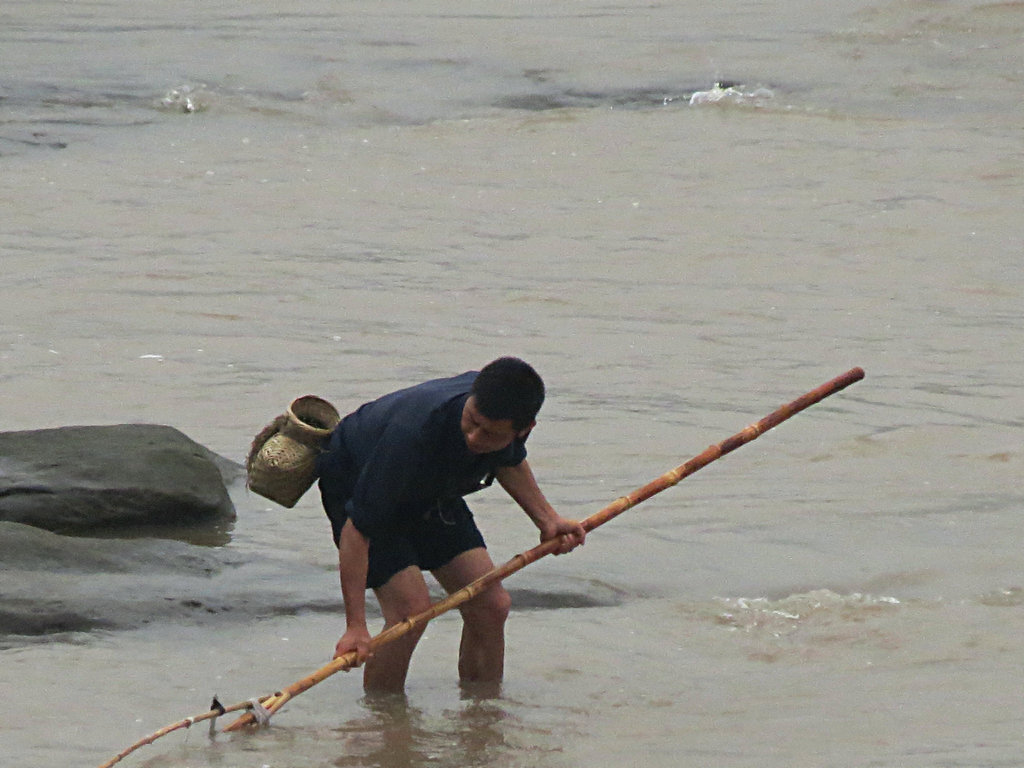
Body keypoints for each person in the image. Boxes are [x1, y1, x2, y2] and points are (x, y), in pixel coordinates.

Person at [316, 357, 585, 694]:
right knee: (410, 612)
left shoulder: (506, 414)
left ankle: (482, 717)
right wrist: (355, 626)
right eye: (471, 422)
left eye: (489, 433)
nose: (473, 437)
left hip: (431, 489)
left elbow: (509, 460)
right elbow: (357, 533)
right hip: (360, 480)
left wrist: (548, 520)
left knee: (492, 605)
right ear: (470, 399)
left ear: (525, 428)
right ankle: (384, 726)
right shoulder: (410, 434)